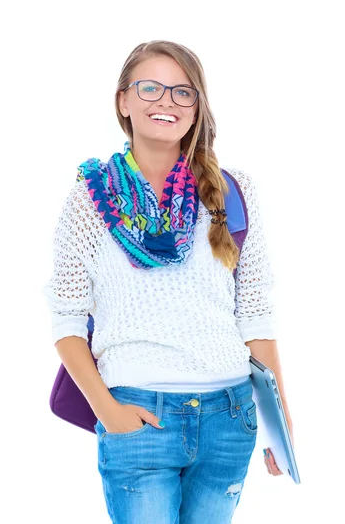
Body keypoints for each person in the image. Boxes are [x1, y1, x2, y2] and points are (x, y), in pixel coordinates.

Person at [44, 40, 294, 524]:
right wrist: (110, 413)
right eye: (151, 87)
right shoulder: (89, 200)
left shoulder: (232, 191)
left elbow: (257, 316)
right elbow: (67, 322)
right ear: (123, 100)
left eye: (183, 92)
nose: (167, 102)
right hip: (138, 414)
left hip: (230, 416)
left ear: (198, 107)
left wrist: (281, 428)